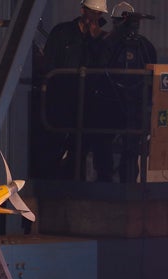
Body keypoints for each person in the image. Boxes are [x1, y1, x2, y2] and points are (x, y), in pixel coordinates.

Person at [35, 0, 111, 180]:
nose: (94, 17)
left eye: (98, 14)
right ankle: (50, 186)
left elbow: (104, 68)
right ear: (83, 10)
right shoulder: (62, 33)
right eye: (92, 12)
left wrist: (96, 41)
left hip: (88, 103)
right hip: (62, 99)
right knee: (54, 144)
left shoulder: (102, 40)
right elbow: (49, 64)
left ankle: (76, 185)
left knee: (81, 148)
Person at [101, 2, 157, 182]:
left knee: (131, 147)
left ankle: (129, 181)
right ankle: (105, 180)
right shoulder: (109, 43)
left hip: (134, 104)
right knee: (104, 143)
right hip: (111, 102)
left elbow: (153, 78)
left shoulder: (144, 47)